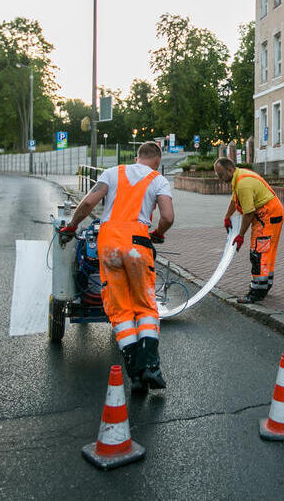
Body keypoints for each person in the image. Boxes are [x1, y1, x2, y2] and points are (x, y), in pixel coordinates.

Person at [59, 141, 174, 392]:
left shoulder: (113, 172)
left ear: (137, 157)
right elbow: (167, 217)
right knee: (145, 305)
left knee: (120, 310)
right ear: (158, 159)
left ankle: (135, 374)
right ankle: (151, 366)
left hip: (109, 243)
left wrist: (72, 225)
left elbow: (89, 202)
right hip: (138, 243)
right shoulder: (158, 179)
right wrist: (158, 233)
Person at [213, 157, 284, 304]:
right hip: (268, 215)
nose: (219, 178)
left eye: (220, 174)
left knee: (259, 253)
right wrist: (227, 216)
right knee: (265, 252)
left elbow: (248, 212)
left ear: (230, 170)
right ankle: (265, 286)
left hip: (267, 216)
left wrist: (240, 235)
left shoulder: (243, 183)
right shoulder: (239, 177)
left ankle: (257, 293)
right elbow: (235, 199)